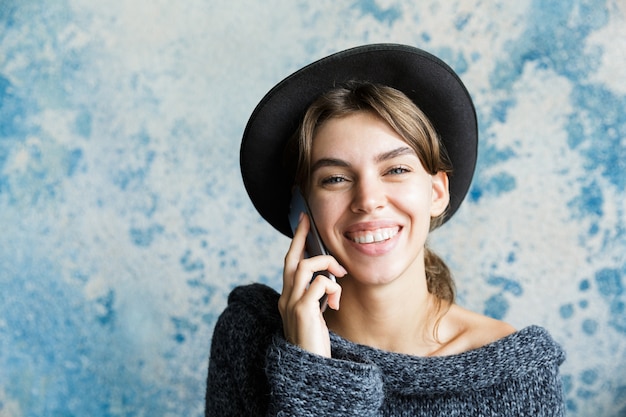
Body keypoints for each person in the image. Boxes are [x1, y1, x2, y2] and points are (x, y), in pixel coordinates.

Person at [205, 44, 566, 416]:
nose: (369, 200)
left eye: (396, 170)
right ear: (302, 209)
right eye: (336, 178)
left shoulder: (515, 373)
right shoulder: (249, 337)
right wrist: (310, 368)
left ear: (437, 192)